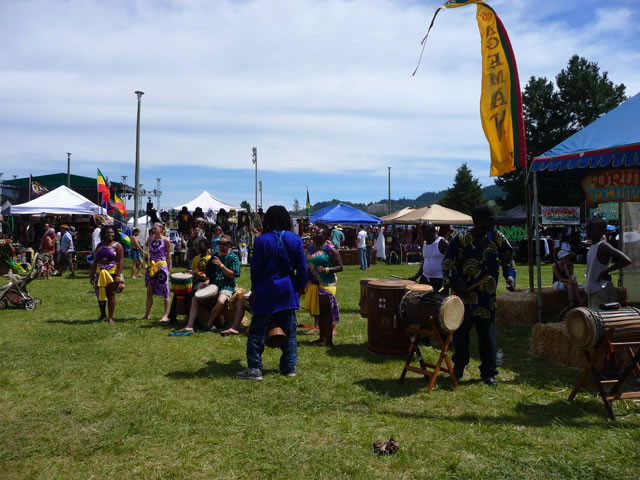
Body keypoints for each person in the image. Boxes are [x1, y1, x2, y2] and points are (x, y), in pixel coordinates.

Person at [442, 205, 516, 386]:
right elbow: (448, 264)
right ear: (478, 221)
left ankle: (488, 372)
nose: (493, 222)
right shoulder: (460, 239)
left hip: (486, 299)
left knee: (487, 337)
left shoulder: (497, 238)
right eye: (490, 219)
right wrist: (456, 283)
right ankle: (459, 366)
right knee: (461, 335)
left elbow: (508, 259)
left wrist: (510, 277)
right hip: (464, 298)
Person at [236, 206, 308, 380]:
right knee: (290, 332)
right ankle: (289, 368)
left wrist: (254, 289)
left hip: (265, 290)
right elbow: (302, 268)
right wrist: (300, 287)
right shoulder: (295, 239)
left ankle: (255, 368)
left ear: (267, 219)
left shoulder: (261, 240)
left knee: (257, 331)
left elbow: (256, 269)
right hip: (287, 290)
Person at [177, 234, 240, 333]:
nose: (221, 245)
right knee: (195, 298)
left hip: (226, 286)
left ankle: (209, 324)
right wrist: (207, 281)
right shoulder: (215, 256)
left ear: (229, 245)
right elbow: (209, 274)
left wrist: (221, 265)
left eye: (224, 243)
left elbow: (234, 275)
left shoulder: (233, 258)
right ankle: (190, 326)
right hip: (213, 286)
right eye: (220, 243)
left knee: (220, 301)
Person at [302, 223, 344, 346]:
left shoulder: (330, 249)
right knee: (319, 313)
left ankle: (329, 340)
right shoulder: (311, 247)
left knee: (327, 313)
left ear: (325, 235)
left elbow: (340, 267)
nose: (314, 233)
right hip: (314, 284)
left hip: (327, 284)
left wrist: (326, 269)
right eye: (313, 231)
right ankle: (322, 338)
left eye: (317, 232)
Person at [584, 217, 631, 307]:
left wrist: (606, 271)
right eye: (587, 229)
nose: (588, 231)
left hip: (601, 291)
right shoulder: (593, 246)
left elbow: (626, 260)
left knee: (600, 315)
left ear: (602, 231)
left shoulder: (603, 246)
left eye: (592, 229)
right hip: (594, 290)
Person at [169, 238, 211, 323]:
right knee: (178, 293)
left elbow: (209, 275)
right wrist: (188, 271)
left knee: (191, 293)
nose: (198, 248)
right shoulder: (196, 258)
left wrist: (197, 274)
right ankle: (172, 317)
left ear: (206, 247)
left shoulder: (209, 259)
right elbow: (193, 269)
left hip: (203, 281)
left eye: (200, 246)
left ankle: (191, 319)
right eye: (198, 246)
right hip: (194, 280)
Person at [90, 225, 125, 325]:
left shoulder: (118, 246)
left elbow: (121, 261)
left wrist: (118, 276)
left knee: (111, 294)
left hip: (112, 273)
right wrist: (92, 274)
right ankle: (102, 315)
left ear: (115, 234)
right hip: (100, 273)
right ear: (104, 234)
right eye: (108, 233)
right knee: (100, 294)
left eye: (112, 232)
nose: (110, 234)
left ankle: (110, 317)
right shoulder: (100, 245)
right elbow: (95, 260)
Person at [142, 222, 172, 323]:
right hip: (151, 267)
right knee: (149, 291)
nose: (153, 230)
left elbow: (168, 255)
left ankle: (165, 315)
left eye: (155, 228)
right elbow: (146, 245)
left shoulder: (166, 240)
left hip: (161, 267)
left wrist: (168, 269)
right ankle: (147, 314)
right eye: (153, 228)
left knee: (165, 291)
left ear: (161, 229)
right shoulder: (150, 239)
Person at [410, 222, 448, 292]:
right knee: (419, 297)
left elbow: (451, 262)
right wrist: (415, 277)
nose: (424, 236)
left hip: (439, 280)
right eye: (423, 234)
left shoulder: (442, 243)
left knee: (437, 299)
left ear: (434, 232)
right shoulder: (423, 244)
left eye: (426, 234)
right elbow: (424, 263)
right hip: (425, 278)